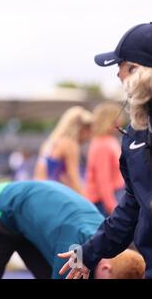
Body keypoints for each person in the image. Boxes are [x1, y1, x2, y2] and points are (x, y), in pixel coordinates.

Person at [59, 22, 152, 279]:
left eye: (122, 67)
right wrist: (88, 253)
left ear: (137, 69)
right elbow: (131, 208)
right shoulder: (136, 134)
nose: (119, 77)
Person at [0, 180, 145, 279]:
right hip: (1, 210)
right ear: (106, 268)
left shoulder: (108, 239)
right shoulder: (73, 248)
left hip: (35, 225)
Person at [34, 106, 93, 195]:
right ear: (80, 128)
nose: (89, 135)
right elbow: (74, 178)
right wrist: (87, 201)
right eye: (88, 130)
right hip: (52, 195)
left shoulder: (51, 142)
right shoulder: (70, 144)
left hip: (39, 192)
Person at [85, 102, 125, 217]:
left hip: (110, 196)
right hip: (103, 201)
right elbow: (103, 179)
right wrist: (112, 207)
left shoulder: (107, 140)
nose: (120, 121)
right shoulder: (102, 144)